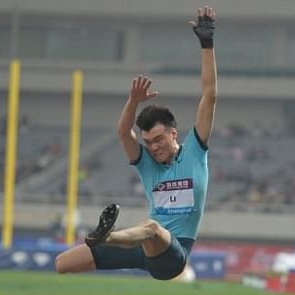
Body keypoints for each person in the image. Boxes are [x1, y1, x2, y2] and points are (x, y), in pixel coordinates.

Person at [55, 5, 217, 280]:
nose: (153, 147)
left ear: (173, 133)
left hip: (173, 254)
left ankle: (107, 237)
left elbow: (209, 95)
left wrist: (207, 44)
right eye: (148, 142)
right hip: (141, 246)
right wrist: (133, 101)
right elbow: (122, 132)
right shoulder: (146, 164)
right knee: (62, 263)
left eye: (158, 139)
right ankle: (106, 238)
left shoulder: (195, 151)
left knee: (152, 227)